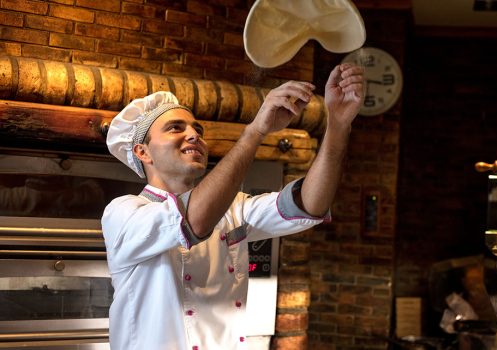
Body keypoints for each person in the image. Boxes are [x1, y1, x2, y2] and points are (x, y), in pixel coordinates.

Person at [101, 63, 364, 350]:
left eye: (197, 129)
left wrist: (338, 125)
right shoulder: (123, 212)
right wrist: (255, 131)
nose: (194, 135)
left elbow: (308, 205)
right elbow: (194, 221)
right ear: (142, 151)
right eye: (176, 128)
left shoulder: (233, 208)